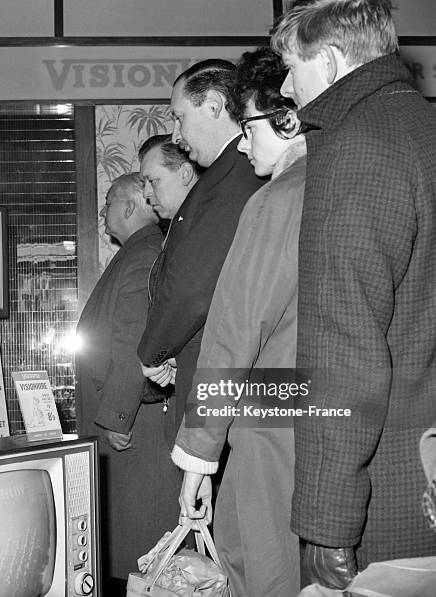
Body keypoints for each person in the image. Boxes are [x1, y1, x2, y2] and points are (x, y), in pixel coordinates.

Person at [270, 0, 436, 589]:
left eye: (291, 66)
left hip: (393, 492)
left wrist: (326, 522)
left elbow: (345, 350)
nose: (288, 86)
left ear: (334, 60)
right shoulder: (422, 126)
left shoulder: (353, 144)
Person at [172, 47, 306, 597]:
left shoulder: (276, 200)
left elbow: (232, 336)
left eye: (248, 125)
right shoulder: (344, 183)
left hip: (273, 416)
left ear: (288, 118)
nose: (243, 140)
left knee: (262, 566)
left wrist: (198, 456)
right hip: (333, 410)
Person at [137, 60, 264, 431]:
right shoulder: (228, 172)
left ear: (212, 105)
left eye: (179, 117)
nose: (176, 134)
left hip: (230, 394)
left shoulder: (237, 173)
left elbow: (194, 287)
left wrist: (154, 351)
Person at [75, 173, 182, 585]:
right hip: (130, 422)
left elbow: (132, 341)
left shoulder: (144, 254)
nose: (102, 212)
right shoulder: (139, 252)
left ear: (131, 206)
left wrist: (117, 416)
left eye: (107, 203)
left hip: (134, 428)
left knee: (140, 556)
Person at [139, 133, 200, 221]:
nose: (146, 194)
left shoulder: (215, 223)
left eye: (153, 181)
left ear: (185, 173)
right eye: (144, 184)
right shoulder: (185, 224)